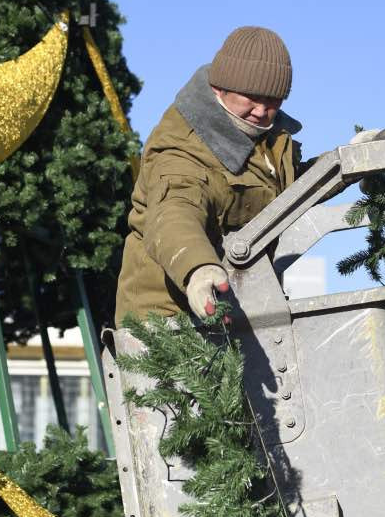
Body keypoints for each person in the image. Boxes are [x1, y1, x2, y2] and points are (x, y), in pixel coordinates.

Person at [115, 26, 302, 324]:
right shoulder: (183, 148)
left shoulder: (267, 140)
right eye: (251, 97)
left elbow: (290, 191)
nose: (261, 110)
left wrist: (346, 166)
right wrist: (198, 269)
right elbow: (174, 212)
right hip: (166, 322)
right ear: (219, 87)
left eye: (274, 100)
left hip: (239, 310)